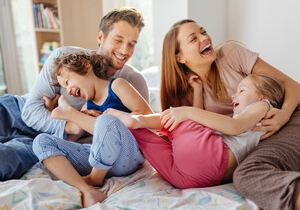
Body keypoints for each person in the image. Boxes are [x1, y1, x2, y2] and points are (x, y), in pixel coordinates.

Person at [0, 7, 149, 181]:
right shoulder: (64, 60)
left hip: (45, 142)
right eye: (118, 40)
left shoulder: (133, 83)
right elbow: (30, 111)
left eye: (132, 44)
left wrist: (75, 125)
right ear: (100, 37)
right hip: (13, 114)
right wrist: (71, 124)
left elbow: (130, 136)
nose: (125, 50)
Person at [152, 19, 300, 210]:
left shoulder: (230, 53)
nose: (204, 38)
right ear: (179, 57)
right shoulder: (186, 96)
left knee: (249, 174)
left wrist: (284, 115)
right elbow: (200, 141)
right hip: (261, 138)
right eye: (194, 38)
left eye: (203, 31)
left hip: (294, 117)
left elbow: (291, 84)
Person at [106, 74, 284, 188]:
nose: (233, 95)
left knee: (178, 119)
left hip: (211, 158)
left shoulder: (264, 106)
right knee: (143, 138)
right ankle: (132, 124)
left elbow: (233, 127)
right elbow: (201, 128)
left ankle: (138, 120)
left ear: (263, 95)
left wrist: (187, 111)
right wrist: (197, 92)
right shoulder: (252, 117)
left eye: (241, 90)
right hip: (195, 179)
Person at [32, 51, 153, 207]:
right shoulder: (86, 107)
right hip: (101, 161)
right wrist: (78, 119)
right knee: (41, 141)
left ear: (85, 66)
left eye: (68, 82)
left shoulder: (117, 85)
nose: (68, 91)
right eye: (64, 87)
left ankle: (94, 178)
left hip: (129, 155)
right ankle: (86, 189)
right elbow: (66, 142)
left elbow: (147, 116)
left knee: (106, 120)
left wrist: (74, 115)